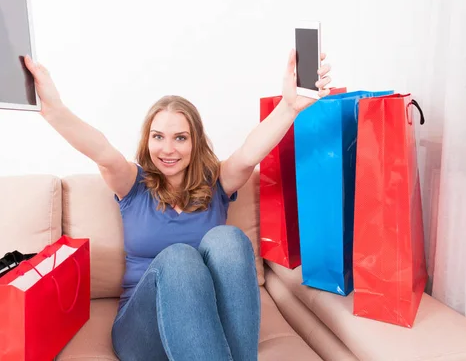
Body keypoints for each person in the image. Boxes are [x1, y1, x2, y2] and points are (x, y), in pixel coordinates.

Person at [23, 50, 331, 360]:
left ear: (195, 142)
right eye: (158, 137)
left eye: (180, 138)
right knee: (179, 257)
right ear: (148, 140)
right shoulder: (133, 184)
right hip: (143, 329)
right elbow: (101, 150)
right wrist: (55, 110)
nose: (168, 149)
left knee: (229, 238)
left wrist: (289, 108)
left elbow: (249, 154)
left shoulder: (217, 183)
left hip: (209, 327)